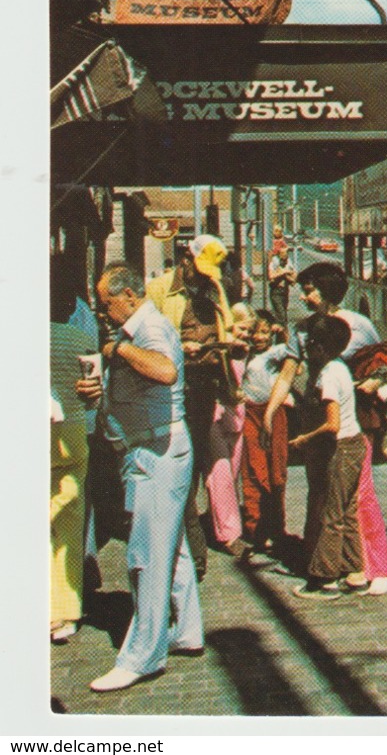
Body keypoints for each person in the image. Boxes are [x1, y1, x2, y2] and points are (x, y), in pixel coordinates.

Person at [78, 262, 203, 693]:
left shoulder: (147, 327)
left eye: (106, 301)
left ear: (129, 295)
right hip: (154, 448)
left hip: (156, 453)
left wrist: (120, 353)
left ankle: (143, 656)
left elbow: (165, 370)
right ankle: (186, 630)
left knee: (145, 556)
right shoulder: (138, 326)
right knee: (176, 548)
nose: (100, 309)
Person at [262, 262, 387, 594]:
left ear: (327, 291)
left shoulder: (358, 325)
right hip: (315, 419)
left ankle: (375, 566)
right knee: (322, 494)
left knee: (358, 496)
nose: (303, 296)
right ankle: (329, 561)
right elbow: (288, 373)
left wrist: (373, 382)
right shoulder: (304, 329)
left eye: (308, 290)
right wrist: (271, 411)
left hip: (353, 420)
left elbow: (383, 364)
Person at [146, 235, 234, 580]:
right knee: (176, 469)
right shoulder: (158, 290)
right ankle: (192, 552)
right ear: (185, 259)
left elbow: (226, 325)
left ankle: (186, 547)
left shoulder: (214, 288)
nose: (202, 277)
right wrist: (180, 349)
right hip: (171, 389)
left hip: (205, 388)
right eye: (198, 270)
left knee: (192, 469)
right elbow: (146, 341)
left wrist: (228, 344)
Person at [290, 315, 367, 600]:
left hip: (341, 447)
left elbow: (332, 424)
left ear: (320, 347)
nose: (307, 348)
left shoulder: (327, 375)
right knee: (346, 511)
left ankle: (324, 579)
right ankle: (354, 571)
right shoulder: (341, 368)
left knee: (332, 515)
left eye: (310, 343)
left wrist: (303, 439)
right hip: (355, 444)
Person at [50, 287, 91, 644]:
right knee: (69, 523)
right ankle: (66, 613)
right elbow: (93, 393)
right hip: (74, 431)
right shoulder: (81, 338)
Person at [240, 308, 291, 557]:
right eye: (254, 332)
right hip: (250, 414)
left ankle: (276, 527)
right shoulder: (243, 354)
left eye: (263, 332)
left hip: (273, 413)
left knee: (276, 470)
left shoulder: (275, 353)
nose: (258, 337)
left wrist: (283, 334)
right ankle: (256, 529)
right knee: (252, 469)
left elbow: (293, 353)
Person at [204, 303, 253, 560]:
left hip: (236, 416)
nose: (244, 334)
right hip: (216, 414)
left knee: (231, 475)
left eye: (248, 330)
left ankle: (218, 522)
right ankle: (229, 534)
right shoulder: (220, 350)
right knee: (220, 473)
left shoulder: (245, 352)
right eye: (241, 328)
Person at [268, 244, 296, 328]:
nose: (284, 260)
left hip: (285, 291)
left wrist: (284, 274)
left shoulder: (288, 265)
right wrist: (284, 272)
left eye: (286, 258)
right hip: (276, 291)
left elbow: (294, 280)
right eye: (282, 258)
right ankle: (282, 331)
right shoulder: (274, 264)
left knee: (283, 316)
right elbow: (271, 277)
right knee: (281, 316)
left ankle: (282, 335)